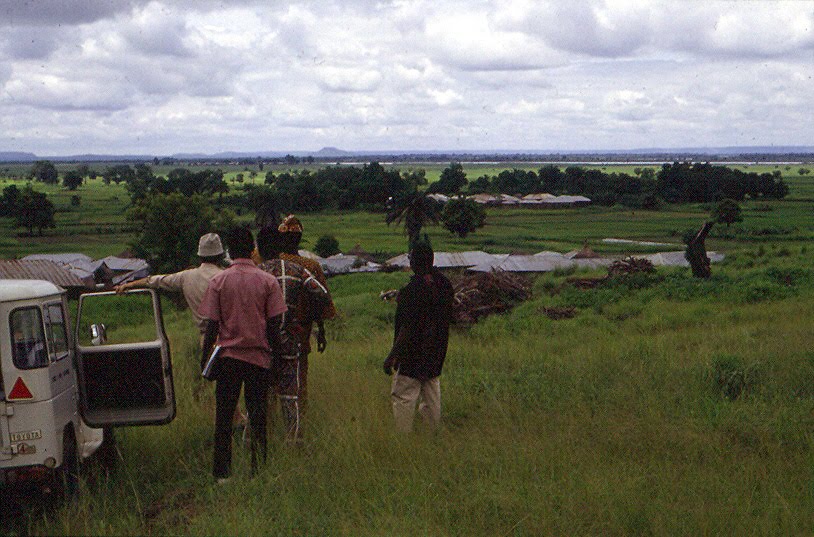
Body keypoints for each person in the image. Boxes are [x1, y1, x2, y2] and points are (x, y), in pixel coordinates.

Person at [198, 226, 287, 482]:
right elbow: (273, 327)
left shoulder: (219, 281)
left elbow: (212, 326)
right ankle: (258, 472)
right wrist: (277, 362)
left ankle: (222, 475)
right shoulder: (267, 281)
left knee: (224, 419)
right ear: (252, 249)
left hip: (228, 359)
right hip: (259, 359)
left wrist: (205, 359)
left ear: (229, 251)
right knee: (258, 418)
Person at [255, 226, 329, 443]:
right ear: (280, 246)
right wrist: (301, 318)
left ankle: (260, 439)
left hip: (262, 342)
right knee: (290, 395)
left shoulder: (257, 273)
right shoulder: (298, 270)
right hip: (290, 340)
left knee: (261, 394)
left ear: (259, 247)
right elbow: (321, 294)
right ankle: (294, 440)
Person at [382, 240, 454, 433]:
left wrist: (392, 356)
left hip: (412, 354)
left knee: (404, 397)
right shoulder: (445, 286)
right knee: (432, 396)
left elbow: (408, 328)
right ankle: (431, 435)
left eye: (411, 257)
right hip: (436, 352)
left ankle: (403, 438)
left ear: (415, 261)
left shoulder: (411, 291)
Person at [115, 233, 226, 344]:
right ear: (220, 255)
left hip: (206, 338)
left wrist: (130, 284)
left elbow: (156, 280)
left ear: (200, 256)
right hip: (229, 338)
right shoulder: (226, 277)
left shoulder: (186, 276)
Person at [275, 215, 336, 410]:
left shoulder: (269, 264)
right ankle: (297, 424)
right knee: (299, 382)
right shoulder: (310, 266)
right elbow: (321, 302)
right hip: (300, 333)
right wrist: (321, 331)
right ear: (299, 238)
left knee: (270, 380)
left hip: (271, 331)